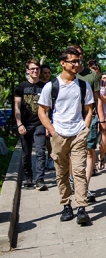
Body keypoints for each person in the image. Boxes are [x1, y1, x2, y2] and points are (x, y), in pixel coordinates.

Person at [38, 47, 94, 225]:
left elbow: (89, 109)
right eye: (73, 61)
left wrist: (84, 129)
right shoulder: (51, 86)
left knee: (78, 171)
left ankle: (81, 208)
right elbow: (42, 111)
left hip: (78, 133)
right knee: (61, 172)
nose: (77, 64)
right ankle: (66, 205)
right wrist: (53, 132)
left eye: (78, 61)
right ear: (63, 63)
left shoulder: (83, 85)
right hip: (59, 135)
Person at [70, 44, 105, 203]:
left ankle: (85, 185)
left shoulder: (91, 75)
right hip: (70, 121)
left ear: (82, 56)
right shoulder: (64, 76)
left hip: (90, 117)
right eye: (72, 54)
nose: (76, 57)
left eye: (78, 54)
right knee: (73, 153)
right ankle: (74, 179)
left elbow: (97, 99)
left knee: (90, 150)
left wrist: (102, 119)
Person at [14, 59, 48, 190]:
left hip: (40, 123)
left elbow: (47, 108)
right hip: (25, 125)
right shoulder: (21, 87)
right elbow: (17, 107)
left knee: (40, 152)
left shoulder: (44, 86)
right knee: (26, 153)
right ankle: (28, 177)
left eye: (37, 69)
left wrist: (47, 126)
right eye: (32, 69)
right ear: (27, 70)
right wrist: (19, 124)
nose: (35, 71)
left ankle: (40, 180)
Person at [39, 63, 54, 170]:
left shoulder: (53, 85)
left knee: (49, 139)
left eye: (49, 73)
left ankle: (50, 158)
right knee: (40, 142)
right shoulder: (38, 86)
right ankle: (40, 161)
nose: (47, 75)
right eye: (45, 73)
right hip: (38, 116)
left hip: (51, 115)